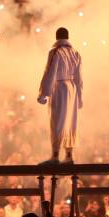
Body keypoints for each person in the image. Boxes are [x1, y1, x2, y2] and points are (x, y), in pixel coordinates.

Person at [37, 27, 83, 165]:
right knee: (70, 122)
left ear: (57, 37)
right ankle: (69, 155)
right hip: (72, 88)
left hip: (60, 88)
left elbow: (50, 72)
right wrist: (79, 97)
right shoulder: (75, 52)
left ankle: (55, 156)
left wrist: (44, 93)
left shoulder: (55, 51)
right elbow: (79, 78)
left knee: (57, 121)